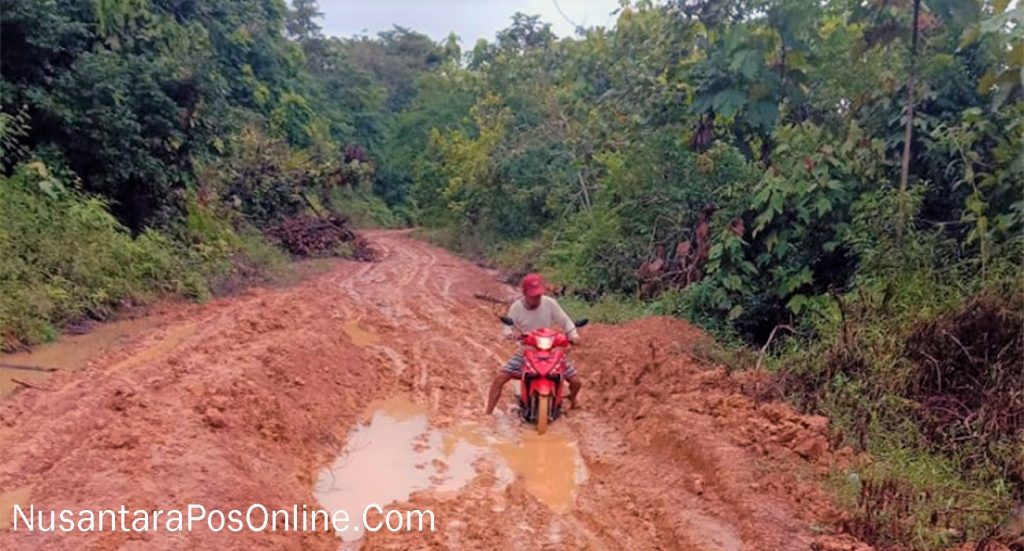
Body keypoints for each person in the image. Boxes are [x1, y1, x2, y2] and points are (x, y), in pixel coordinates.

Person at [484, 273, 582, 415]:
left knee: (576, 381)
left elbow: (566, 321)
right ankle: (488, 412)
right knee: (499, 379)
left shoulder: (549, 303)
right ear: (524, 293)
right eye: (533, 295)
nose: (537, 298)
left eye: (538, 295)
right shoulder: (517, 307)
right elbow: (507, 327)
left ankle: (573, 401)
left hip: (550, 350)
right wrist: (510, 334)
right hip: (526, 350)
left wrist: (573, 335)